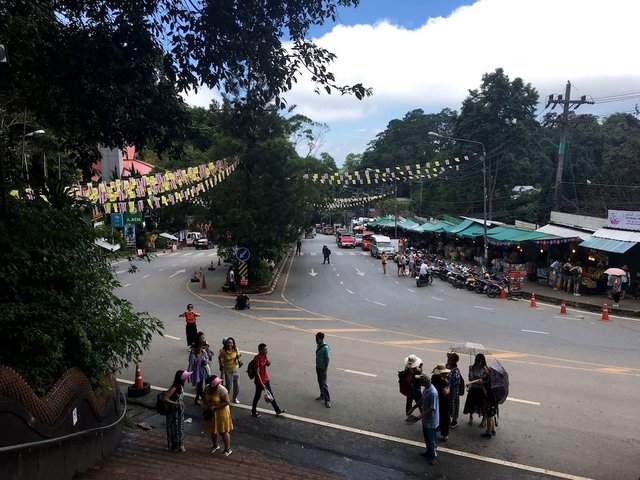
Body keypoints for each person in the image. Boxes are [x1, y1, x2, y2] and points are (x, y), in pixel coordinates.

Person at [406, 374, 439, 465]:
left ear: (424, 382)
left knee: (431, 438)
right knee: (427, 437)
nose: (419, 382)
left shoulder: (433, 392)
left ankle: (433, 455)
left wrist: (419, 417)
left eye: (420, 380)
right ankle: (429, 451)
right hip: (426, 419)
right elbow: (422, 400)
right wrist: (413, 408)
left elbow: (432, 408)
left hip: (431, 420)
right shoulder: (426, 389)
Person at [251, 343, 285, 417]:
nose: (266, 351)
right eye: (265, 350)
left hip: (266, 379)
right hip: (260, 382)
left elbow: (267, 363)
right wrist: (261, 384)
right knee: (257, 396)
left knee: (271, 395)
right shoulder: (256, 359)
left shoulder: (264, 356)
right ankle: (253, 411)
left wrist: (268, 363)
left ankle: (277, 410)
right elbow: (257, 373)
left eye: (266, 349)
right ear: (260, 350)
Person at [203, 375, 234, 456]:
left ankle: (227, 449)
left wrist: (215, 407)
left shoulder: (222, 390)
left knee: (223, 431)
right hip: (212, 413)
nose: (217, 385)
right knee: (213, 430)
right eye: (215, 384)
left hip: (222, 413)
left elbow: (227, 402)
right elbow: (204, 398)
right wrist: (208, 405)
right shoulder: (207, 389)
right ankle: (215, 445)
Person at [162, 370, 191, 452]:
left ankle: (179, 445)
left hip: (179, 412)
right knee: (174, 428)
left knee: (180, 428)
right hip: (173, 412)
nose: (186, 379)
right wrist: (176, 403)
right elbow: (165, 399)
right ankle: (175, 446)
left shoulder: (181, 385)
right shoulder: (175, 387)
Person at [466, 365, 497, 438]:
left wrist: (483, 386)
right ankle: (492, 430)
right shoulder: (487, 377)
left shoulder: (489, 382)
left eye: (486, 368)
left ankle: (488, 433)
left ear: (489, 372)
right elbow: (479, 380)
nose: (485, 368)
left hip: (489, 401)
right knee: (491, 416)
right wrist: (470, 383)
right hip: (491, 401)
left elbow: (486, 394)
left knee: (489, 417)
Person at [463, 353, 488, 427]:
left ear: (482, 361)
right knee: (471, 404)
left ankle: (484, 419)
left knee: (482, 406)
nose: (477, 362)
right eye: (476, 360)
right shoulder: (472, 368)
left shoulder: (485, 370)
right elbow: (470, 379)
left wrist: (478, 381)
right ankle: (471, 417)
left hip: (481, 390)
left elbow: (484, 381)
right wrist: (470, 371)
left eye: (479, 361)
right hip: (473, 389)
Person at [431, 364, 451, 441]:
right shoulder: (442, 381)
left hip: (435, 399)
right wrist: (449, 386)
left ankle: (437, 427)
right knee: (444, 417)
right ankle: (445, 434)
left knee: (436, 415)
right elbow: (446, 392)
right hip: (443, 401)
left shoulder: (434, 377)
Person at [218, 337, 241, 404]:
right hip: (228, 371)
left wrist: (238, 356)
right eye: (228, 342)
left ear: (233, 344)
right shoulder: (223, 352)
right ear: (226, 344)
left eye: (231, 342)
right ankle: (226, 398)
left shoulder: (235, 349)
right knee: (229, 386)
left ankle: (234, 398)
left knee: (237, 386)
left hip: (235, 370)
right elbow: (219, 357)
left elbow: (239, 354)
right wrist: (221, 364)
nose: (229, 344)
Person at [187, 341, 209, 406]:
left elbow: (207, 359)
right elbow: (190, 366)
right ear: (195, 348)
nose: (200, 349)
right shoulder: (193, 355)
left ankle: (196, 400)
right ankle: (204, 400)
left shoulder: (203, 352)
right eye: (198, 347)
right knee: (200, 387)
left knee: (200, 386)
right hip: (197, 373)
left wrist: (205, 361)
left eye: (201, 347)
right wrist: (188, 375)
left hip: (203, 371)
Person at [446, 352, 463, 429]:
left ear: (452, 361)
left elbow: (451, 381)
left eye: (449, 359)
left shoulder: (455, 371)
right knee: (449, 406)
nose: (447, 360)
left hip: (453, 392)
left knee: (453, 405)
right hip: (449, 392)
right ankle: (448, 419)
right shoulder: (449, 368)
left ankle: (454, 421)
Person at [315, 332, 331, 408]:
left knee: (324, 384)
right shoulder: (319, 345)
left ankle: (327, 400)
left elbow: (327, 359)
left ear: (321, 339)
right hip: (318, 367)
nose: (315, 340)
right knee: (320, 382)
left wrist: (325, 370)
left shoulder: (325, 348)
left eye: (317, 339)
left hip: (322, 369)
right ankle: (322, 395)